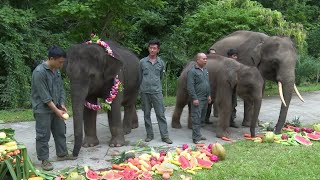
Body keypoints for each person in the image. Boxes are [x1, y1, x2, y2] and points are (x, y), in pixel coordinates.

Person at [31, 45, 76, 171]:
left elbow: (61, 89)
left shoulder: (56, 71)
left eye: (63, 62)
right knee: (43, 135)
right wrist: (57, 111)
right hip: (42, 109)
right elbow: (45, 97)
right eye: (60, 62)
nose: (62, 65)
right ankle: (44, 160)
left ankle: (62, 154)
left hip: (56, 106)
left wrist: (61, 104)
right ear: (51, 59)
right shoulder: (39, 73)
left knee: (60, 130)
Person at [139, 40, 173, 144]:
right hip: (145, 92)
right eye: (150, 48)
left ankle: (165, 136)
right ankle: (149, 135)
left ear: (158, 50)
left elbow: (161, 77)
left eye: (154, 48)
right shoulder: (142, 62)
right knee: (146, 114)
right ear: (148, 48)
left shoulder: (161, 63)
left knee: (160, 114)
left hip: (157, 92)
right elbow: (139, 77)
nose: (152, 50)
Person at [187, 53, 212, 144]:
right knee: (196, 118)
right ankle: (196, 138)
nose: (205, 60)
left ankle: (199, 134)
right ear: (197, 60)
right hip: (198, 98)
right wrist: (194, 98)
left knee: (202, 118)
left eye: (206, 59)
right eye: (203, 59)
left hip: (205, 98)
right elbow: (190, 86)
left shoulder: (205, 70)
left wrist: (209, 95)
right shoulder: (192, 71)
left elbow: (207, 84)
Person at [226, 48, 239, 128]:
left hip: (234, 89)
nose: (236, 58)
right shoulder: (225, 65)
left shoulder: (237, 65)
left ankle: (231, 121)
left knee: (233, 104)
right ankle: (225, 121)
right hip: (226, 89)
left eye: (236, 56)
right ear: (230, 57)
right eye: (234, 56)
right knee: (226, 105)